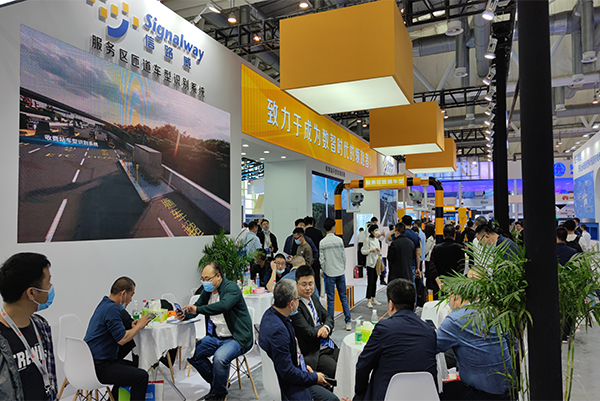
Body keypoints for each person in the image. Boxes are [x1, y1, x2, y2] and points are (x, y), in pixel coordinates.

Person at [178, 262, 253, 401]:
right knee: (192, 354)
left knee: (219, 358)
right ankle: (219, 384)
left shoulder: (231, 288)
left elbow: (222, 306)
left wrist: (198, 309)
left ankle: (218, 395)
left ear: (218, 276)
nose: (204, 282)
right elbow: (197, 306)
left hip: (237, 338)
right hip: (217, 336)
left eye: (207, 279)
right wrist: (185, 315)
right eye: (202, 279)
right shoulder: (208, 291)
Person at [355, 279, 437, 401]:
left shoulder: (384, 329)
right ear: (414, 304)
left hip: (388, 395)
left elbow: (364, 365)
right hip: (425, 395)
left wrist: (360, 392)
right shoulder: (429, 331)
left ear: (391, 305)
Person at [259, 279, 338, 401]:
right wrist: (313, 377)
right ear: (291, 304)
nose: (298, 301)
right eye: (297, 299)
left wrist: (303, 367)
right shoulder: (278, 331)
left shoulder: (271, 315)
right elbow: (288, 372)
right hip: (289, 385)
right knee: (332, 398)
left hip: (292, 371)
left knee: (326, 379)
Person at [0, 253, 58, 401]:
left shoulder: (41, 326)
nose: (50, 288)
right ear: (32, 293)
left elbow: (49, 376)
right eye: (48, 282)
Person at [84, 277, 153, 401]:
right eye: (131, 295)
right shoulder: (112, 309)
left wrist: (133, 325)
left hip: (92, 362)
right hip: (100, 366)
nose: (130, 299)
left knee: (132, 370)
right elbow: (122, 339)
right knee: (141, 377)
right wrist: (139, 326)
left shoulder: (105, 304)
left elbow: (116, 329)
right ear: (123, 293)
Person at [437, 295, 511, 400]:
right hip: (507, 390)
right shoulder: (493, 312)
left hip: (479, 393)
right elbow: (513, 346)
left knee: (439, 391)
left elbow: (433, 346)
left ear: (454, 298)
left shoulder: (455, 319)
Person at [291, 265, 339, 378]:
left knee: (348, 362)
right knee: (338, 371)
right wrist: (322, 328)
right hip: (313, 353)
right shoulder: (295, 307)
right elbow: (308, 333)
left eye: (311, 283)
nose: (308, 288)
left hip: (327, 345)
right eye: (304, 284)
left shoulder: (313, 298)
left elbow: (328, 317)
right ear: (296, 284)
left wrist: (326, 327)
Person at [319, 217, 352, 331]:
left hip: (329, 273)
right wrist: (342, 268)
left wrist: (325, 270)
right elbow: (343, 256)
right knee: (343, 298)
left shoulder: (322, 242)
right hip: (340, 272)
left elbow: (321, 260)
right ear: (333, 227)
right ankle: (348, 322)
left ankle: (331, 324)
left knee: (331, 300)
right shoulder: (339, 240)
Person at [429, 224, 466, 298]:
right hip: (454, 285)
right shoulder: (460, 249)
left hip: (439, 285)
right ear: (454, 235)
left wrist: (439, 281)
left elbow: (432, 266)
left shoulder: (436, 248)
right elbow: (461, 267)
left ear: (443, 235)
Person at [362, 224, 382, 308]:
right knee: (370, 282)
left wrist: (378, 250)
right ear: (371, 231)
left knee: (375, 281)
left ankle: (373, 298)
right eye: (375, 230)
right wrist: (370, 250)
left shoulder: (377, 240)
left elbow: (379, 252)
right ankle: (368, 300)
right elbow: (363, 251)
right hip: (370, 263)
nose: (377, 232)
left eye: (377, 230)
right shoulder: (367, 240)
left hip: (376, 263)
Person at [304, 216, 324, 293]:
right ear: (312, 223)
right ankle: (317, 294)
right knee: (316, 278)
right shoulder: (318, 232)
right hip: (316, 260)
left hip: (306, 261)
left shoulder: (304, 233)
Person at [401, 215, 422, 279]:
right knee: (411, 282)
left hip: (400, 264)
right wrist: (418, 268)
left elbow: (389, 238)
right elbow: (418, 254)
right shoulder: (415, 236)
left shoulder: (399, 234)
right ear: (411, 224)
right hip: (411, 264)